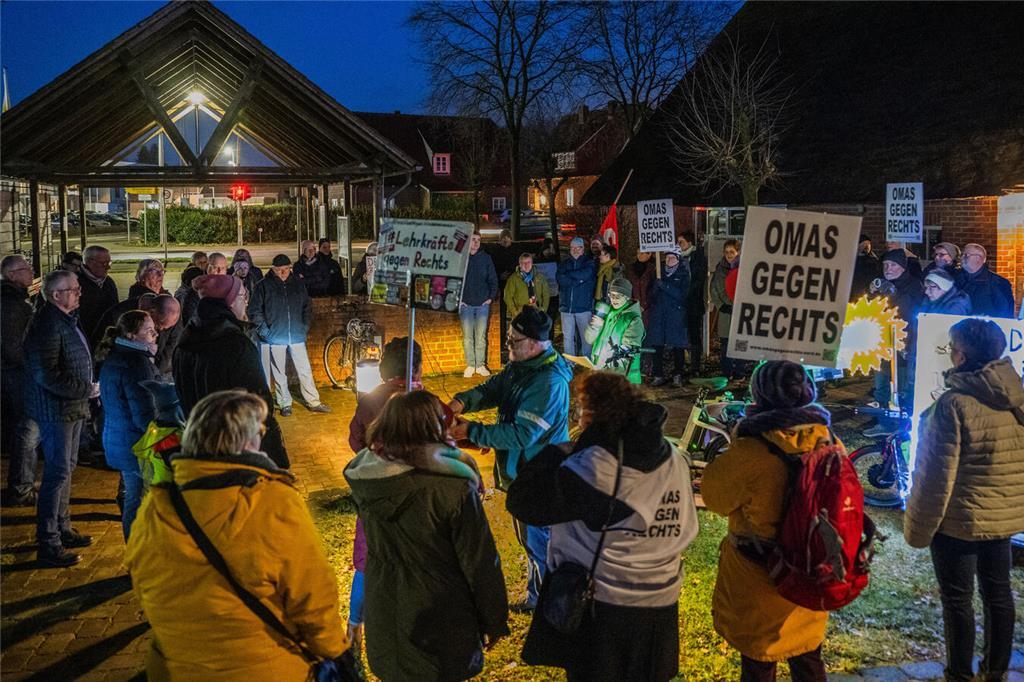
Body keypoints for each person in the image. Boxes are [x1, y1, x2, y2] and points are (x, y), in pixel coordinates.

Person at [125, 390, 352, 680]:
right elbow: (312, 599)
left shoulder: (156, 508)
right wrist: (336, 652)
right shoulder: (273, 502)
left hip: (177, 670)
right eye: (259, 430)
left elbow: (144, 587)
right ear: (245, 441)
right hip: (264, 669)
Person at [508, 372, 697, 682]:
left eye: (582, 409)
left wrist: (558, 451)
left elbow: (524, 501)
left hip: (605, 610)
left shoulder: (594, 467)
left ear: (593, 413)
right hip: (660, 605)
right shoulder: (674, 459)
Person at [345, 390, 509, 681]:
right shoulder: (452, 486)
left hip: (386, 616)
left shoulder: (368, 480)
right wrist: (494, 619)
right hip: (440, 620)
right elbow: (480, 561)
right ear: (433, 427)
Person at [905, 319, 1024, 682]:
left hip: (959, 522)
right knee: (999, 594)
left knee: (958, 601)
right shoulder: (1015, 396)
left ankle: (959, 674)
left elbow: (935, 475)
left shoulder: (953, 404)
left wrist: (919, 527)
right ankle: (997, 670)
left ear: (962, 354)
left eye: (953, 345)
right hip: (1001, 517)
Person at [702, 361, 836, 680]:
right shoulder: (827, 439)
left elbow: (715, 498)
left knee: (759, 663)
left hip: (761, 578)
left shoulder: (751, 449)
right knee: (808, 659)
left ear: (759, 394)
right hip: (810, 572)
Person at [448, 307, 573, 608]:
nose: (507, 345)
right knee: (533, 539)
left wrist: (471, 432)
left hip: (538, 475)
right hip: (523, 471)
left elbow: (522, 434)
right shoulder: (523, 366)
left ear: (534, 343)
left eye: (513, 340)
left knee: (537, 542)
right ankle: (541, 594)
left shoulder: (548, 382)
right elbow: (495, 388)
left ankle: (543, 603)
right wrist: (460, 402)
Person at [346, 337, 424, 652]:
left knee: (367, 560)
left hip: (374, 494)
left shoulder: (368, 400)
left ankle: (354, 627)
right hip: (414, 497)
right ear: (416, 368)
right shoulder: (423, 401)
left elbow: (354, 440)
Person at [173, 274, 289, 468]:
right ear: (231, 302)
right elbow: (258, 402)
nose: (246, 302)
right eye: (243, 296)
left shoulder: (185, 341)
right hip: (237, 448)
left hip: (198, 447)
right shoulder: (236, 345)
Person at [24, 270, 97, 567]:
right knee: (56, 473)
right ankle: (49, 540)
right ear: (56, 295)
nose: (79, 293)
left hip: (71, 407)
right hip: (57, 410)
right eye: (74, 289)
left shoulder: (64, 320)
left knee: (66, 468)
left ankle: (62, 527)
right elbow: (46, 373)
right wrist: (85, 388)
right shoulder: (48, 324)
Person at [96, 310, 159, 540]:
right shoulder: (136, 363)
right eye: (148, 330)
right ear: (132, 335)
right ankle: (142, 555)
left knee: (134, 496)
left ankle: (136, 555)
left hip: (119, 439)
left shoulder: (117, 356)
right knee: (142, 499)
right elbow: (144, 411)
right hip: (137, 444)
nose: (155, 334)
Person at [248, 254, 329, 416]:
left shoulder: (298, 283)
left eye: (286, 269)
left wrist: (304, 326)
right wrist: (266, 331)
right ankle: (285, 402)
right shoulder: (263, 285)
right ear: (273, 269)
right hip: (275, 335)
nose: (283, 273)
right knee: (279, 372)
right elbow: (254, 310)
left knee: (304, 369)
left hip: (296, 334)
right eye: (279, 270)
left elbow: (307, 306)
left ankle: (313, 401)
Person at [865, 249, 924, 437]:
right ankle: (884, 423)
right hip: (882, 342)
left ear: (902, 267)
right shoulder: (880, 284)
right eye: (885, 265)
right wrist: (870, 293)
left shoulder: (914, 286)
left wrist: (891, 292)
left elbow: (906, 311)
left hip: (903, 344)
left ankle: (903, 427)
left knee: (902, 388)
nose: (887, 268)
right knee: (881, 385)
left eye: (892, 265)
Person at [2, 255, 38, 505]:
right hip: (18, 376)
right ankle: (21, 486)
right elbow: (13, 347)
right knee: (28, 428)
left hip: (13, 374)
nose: (32, 272)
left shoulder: (15, 299)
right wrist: (33, 370)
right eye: (27, 269)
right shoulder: (13, 305)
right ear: (12, 274)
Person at [584, 277, 645, 384]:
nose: (614, 299)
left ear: (627, 297)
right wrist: (595, 327)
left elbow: (627, 355)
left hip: (622, 380)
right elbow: (589, 340)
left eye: (618, 296)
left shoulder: (633, 320)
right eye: (611, 295)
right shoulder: (608, 313)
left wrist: (606, 369)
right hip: (601, 374)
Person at [647, 245, 691, 387]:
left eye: (672, 257)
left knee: (678, 345)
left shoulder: (684, 273)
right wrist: (656, 286)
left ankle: (678, 374)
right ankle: (658, 374)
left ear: (678, 259)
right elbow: (651, 295)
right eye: (667, 257)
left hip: (675, 314)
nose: (669, 260)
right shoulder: (658, 273)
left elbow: (682, 295)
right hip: (659, 313)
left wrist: (664, 286)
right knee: (657, 344)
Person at [460, 231, 498, 377]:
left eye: (478, 240)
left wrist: (490, 297)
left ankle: (480, 365)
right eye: (473, 239)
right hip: (466, 304)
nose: (476, 242)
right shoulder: (462, 258)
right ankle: (470, 365)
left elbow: (493, 279)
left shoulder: (486, 259)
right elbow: (456, 279)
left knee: (481, 336)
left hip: (482, 303)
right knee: (468, 336)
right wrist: (459, 299)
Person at [556, 237, 597, 358]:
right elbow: (560, 279)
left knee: (586, 338)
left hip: (583, 308)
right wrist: (578, 280)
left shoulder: (589, 263)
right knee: (568, 338)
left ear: (582, 249)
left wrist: (569, 276)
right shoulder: (564, 263)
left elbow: (586, 274)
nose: (575, 250)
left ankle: (587, 361)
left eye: (577, 247)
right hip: (566, 308)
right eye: (572, 247)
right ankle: (570, 362)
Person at [710, 239, 741, 379]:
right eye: (727, 252)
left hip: (740, 312)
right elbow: (714, 288)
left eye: (732, 252)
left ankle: (739, 371)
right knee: (725, 344)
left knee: (739, 343)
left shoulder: (743, 267)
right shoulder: (720, 269)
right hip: (725, 311)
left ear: (738, 252)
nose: (729, 255)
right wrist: (721, 305)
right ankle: (726, 372)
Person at [487, 229, 518, 364]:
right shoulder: (496, 252)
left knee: (514, 315)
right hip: (500, 286)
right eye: (503, 238)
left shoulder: (514, 252)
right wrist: (500, 275)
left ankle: (513, 339)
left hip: (512, 288)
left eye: (508, 238)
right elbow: (494, 267)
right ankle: (501, 341)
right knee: (500, 316)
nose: (506, 240)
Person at [77, 245, 118, 347]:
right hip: (84, 341)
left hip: (105, 340)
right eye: (104, 263)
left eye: (109, 263)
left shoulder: (108, 282)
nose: (108, 267)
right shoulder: (75, 284)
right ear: (90, 262)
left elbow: (115, 309)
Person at [678, 230, 707, 376]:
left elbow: (698, 279)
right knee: (681, 335)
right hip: (680, 305)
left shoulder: (698, 257)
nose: (679, 245)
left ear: (689, 243)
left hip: (693, 304)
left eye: (681, 242)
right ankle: (682, 365)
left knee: (694, 335)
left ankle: (695, 366)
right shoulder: (677, 258)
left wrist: (687, 291)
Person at [960, 243, 1014, 318]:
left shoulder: (998, 282)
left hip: (985, 327)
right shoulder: (954, 278)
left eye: (966, 255)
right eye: (962, 255)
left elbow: (1006, 312)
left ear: (979, 258)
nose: (962, 258)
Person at [503, 251, 550, 323]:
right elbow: (507, 297)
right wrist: (515, 312)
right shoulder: (513, 279)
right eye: (523, 263)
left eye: (528, 262)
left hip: (536, 312)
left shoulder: (540, 277)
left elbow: (546, 294)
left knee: (535, 334)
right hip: (521, 313)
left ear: (532, 263)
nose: (526, 265)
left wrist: (543, 310)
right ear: (520, 264)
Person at [147, 294, 182, 378]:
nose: (159, 332)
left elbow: (168, 351)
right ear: (152, 312)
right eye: (159, 325)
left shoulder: (174, 321)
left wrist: (156, 375)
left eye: (166, 328)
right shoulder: (123, 315)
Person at [850, 234, 881, 300]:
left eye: (868, 245)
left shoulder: (873, 260)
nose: (866, 247)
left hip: (867, 292)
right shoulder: (850, 260)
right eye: (863, 245)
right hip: (852, 292)